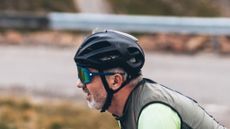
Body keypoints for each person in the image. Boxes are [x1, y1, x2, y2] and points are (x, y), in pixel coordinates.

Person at [74, 30, 226, 129]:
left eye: (85, 75)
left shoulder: (153, 114)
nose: (79, 83)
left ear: (115, 81)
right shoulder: (129, 108)